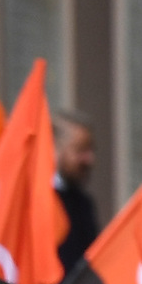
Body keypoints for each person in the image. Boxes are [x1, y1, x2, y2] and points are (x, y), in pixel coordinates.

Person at [52, 109, 100, 274]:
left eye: (90, 150)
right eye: (80, 150)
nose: (89, 159)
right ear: (55, 150)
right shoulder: (30, 203)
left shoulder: (83, 203)